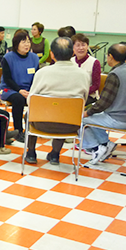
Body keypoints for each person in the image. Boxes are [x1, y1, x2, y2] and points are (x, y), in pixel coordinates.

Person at [24, 37, 90, 165]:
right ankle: (55, 154)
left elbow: (31, 101)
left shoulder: (42, 73)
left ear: (52, 54)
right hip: (70, 125)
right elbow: (84, 100)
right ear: (72, 53)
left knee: (29, 114)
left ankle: (31, 153)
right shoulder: (83, 75)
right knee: (65, 113)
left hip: (41, 122)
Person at [82, 43, 126, 164]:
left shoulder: (115, 75)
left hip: (117, 119)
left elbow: (104, 102)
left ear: (110, 56)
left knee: (80, 119)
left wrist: (87, 113)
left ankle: (96, 148)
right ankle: (106, 144)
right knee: (94, 116)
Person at [0, 29, 40, 142]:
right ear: (16, 44)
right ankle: (18, 130)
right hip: (9, 88)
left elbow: (36, 77)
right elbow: (7, 79)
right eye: (23, 42)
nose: (27, 44)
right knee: (18, 99)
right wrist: (19, 90)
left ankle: (36, 128)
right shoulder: (8, 58)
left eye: (28, 41)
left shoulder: (34, 58)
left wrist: (32, 90)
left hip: (29, 89)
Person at [71, 33, 102, 105]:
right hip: (72, 94)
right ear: (73, 48)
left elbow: (96, 85)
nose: (81, 48)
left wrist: (81, 93)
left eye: (83, 45)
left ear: (87, 46)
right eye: (78, 45)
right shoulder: (70, 61)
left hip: (89, 96)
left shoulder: (94, 62)